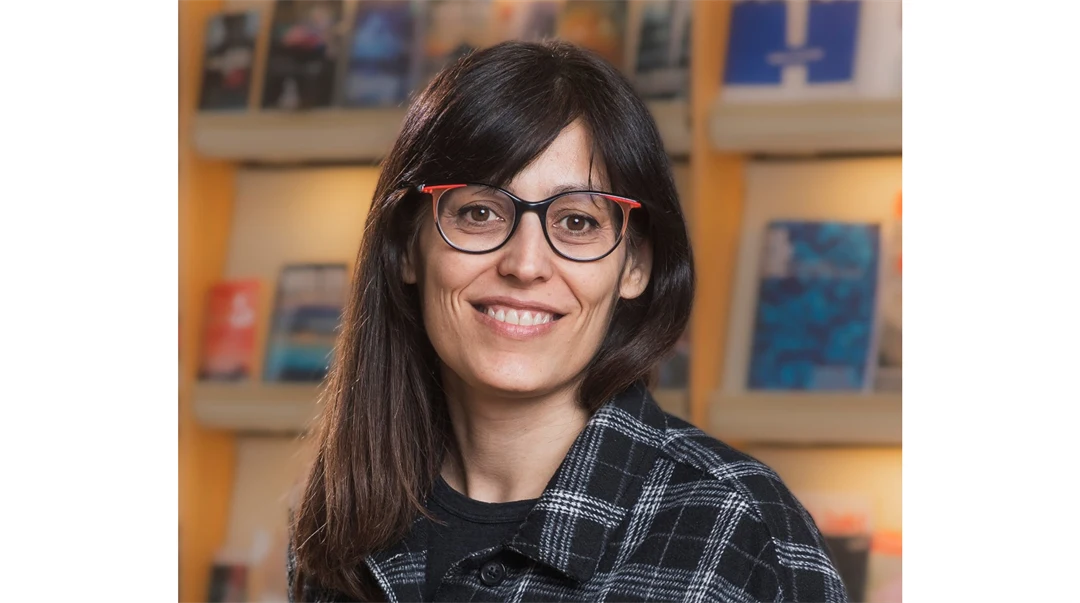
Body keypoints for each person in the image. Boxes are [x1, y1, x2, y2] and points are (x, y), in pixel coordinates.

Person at [288, 40, 848, 603]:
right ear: (408, 248)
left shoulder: (741, 530)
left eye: (577, 222)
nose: (526, 265)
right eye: (479, 213)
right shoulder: (341, 522)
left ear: (635, 265)